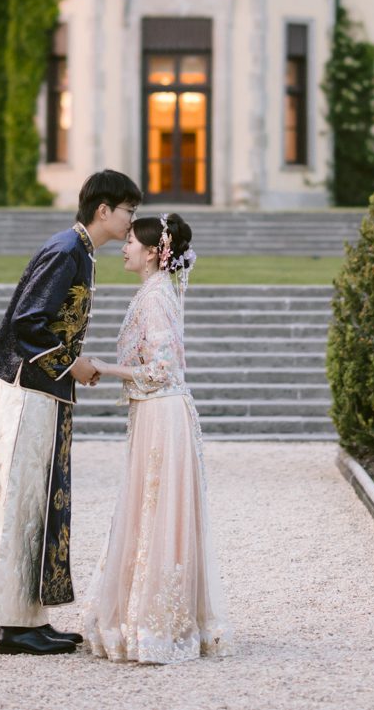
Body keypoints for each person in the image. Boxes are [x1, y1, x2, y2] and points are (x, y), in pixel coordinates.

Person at [0, 170, 142, 655]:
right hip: (29, 395)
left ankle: (30, 616)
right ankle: (14, 625)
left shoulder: (79, 252)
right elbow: (27, 323)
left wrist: (74, 367)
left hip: (44, 392)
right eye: (128, 211)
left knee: (40, 499)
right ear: (104, 210)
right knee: (24, 500)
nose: (131, 221)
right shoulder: (66, 252)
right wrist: (73, 365)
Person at [77, 212, 233, 664]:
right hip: (154, 413)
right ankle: (152, 617)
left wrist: (105, 367)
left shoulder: (155, 297)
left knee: (155, 512)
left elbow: (163, 368)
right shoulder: (153, 292)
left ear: (151, 252)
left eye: (130, 241)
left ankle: (155, 623)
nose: (123, 247)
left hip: (162, 414)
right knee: (149, 511)